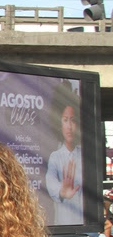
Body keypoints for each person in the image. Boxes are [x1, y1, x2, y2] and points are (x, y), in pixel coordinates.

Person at [45, 80, 83, 225]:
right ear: (59, 123)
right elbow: (51, 181)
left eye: (73, 121)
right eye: (65, 120)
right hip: (64, 225)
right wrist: (62, 191)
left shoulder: (85, 156)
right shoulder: (56, 157)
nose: (69, 127)